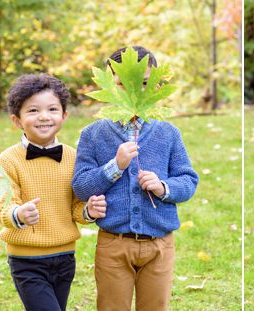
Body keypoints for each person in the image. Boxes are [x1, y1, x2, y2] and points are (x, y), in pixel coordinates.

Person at [72, 46, 199, 311]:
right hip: (113, 245)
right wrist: (115, 166)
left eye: (143, 83)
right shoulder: (93, 134)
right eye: (120, 84)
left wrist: (164, 186)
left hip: (159, 246)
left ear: (155, 86)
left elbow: (188, 180)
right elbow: (82, 186)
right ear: (108, 85)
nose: (132, 92)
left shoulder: (168, 132)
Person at [0, 73, 107, 311]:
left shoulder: (73, 157)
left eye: (52, 109)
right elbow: (2, 208)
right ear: (17, 120)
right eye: (33, 111)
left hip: (65, 257)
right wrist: (19, 214)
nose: (44, 117)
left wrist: (88, 211)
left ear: (64, 115)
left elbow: (75, 208)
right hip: (26, 260)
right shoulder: (8, 160)